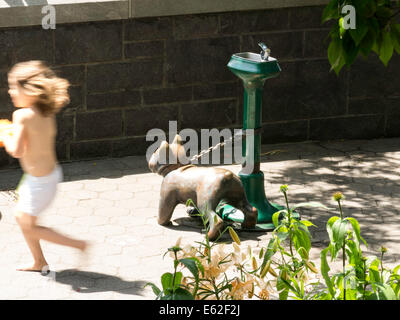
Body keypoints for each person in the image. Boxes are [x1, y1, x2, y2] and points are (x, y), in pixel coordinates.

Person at [3, 60, 87, 273]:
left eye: (14, 87)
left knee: (27, 223)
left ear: (30, 90)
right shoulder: (45, 111)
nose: (10, 91)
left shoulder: (21, 116)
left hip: (39, 182)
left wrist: (5, 135)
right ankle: (39, 261)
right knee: (23, 219)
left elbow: (17, 151)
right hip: (45, 176)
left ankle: (77, 245)